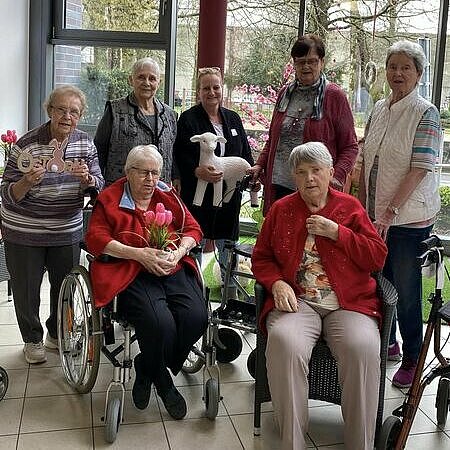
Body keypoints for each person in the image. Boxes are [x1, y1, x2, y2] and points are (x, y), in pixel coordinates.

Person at [252, 142, 387, 450]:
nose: (309, 178)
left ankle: (360, 444)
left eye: (316, 170)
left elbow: (377, 257)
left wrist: (337, 233)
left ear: (330, 173)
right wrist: (276, 283)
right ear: (294, 177)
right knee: (284, 342)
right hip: (299, 302)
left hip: (349, 304)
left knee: (362, 347)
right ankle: (292, 442)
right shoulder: (281, 209)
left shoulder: (350, 208)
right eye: (301, 172)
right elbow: (261, 256)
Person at [85, 144, 207, 419]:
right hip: (131, 271)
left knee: (196, 317)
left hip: (170, 266)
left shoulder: (167, 194)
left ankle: (147, 366)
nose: (151, 180)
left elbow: (193, 229)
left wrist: (178, 252)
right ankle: (163, 381)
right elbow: (96, 238)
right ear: (128, 172)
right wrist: (138, 254)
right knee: (159, 323)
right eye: (143, 173)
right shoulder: (110, 198)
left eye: (155, 173)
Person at [0, 85, 104, 364]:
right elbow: (7, 193)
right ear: (49, 111)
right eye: (61, 109)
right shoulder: (27, 144)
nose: (67, 116)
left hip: (65, 229)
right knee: (26, 288)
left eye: (74, 111)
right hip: (24, 230)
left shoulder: (85, 143)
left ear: (80, 116)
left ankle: (56, 334)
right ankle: (32, 339)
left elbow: (99, 184)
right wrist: (26, 182)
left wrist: (88, 181)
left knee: (65, 287)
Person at [359, 40, 441, 389]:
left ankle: (411, 357)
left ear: (419, 74)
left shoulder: (426, 112)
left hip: (408, 220)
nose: (398, 73)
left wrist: (391, 211)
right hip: (376, 216)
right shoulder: (380, 107)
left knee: (406, 290)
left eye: (406, 68)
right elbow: (369, 157)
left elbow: (420, 168)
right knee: (379, 281)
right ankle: (388, 343)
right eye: (393, 67)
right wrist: (364, 205)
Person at [249, 34, 358, 215]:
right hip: (279, 185)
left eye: (312, 61)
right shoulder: (285, 93)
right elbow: (274, 140)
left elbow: (350, 147)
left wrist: (335, 178)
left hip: (315, 190)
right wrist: (260, 165)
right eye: (300, 62)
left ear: (321, 62)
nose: (306, 67)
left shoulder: (334, 96)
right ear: (294, 63)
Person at [173, 66, 254, 285]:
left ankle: (230, 289)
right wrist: (195, 170)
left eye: (215, 87)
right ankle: (193, 290)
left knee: (228, 246)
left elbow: (245, 153)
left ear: (222, 88)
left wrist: (251, 177)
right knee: (194, 243)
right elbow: (179, 153)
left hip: (228, 197)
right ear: (198, 91)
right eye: (206, 88)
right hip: (199, 196)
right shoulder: (188, 119)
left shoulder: (233, 119)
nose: (211, 92)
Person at [94, 57, 178, 188]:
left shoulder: (170, 114)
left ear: (159, 82)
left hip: (160, 189)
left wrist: (176, 177)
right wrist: (97, 187)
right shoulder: (114, 110)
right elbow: (99, 150)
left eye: (152, 78)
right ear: (131, 80)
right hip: (121, 189)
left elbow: (173, 152)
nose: (146, 82)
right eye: (141, 77)